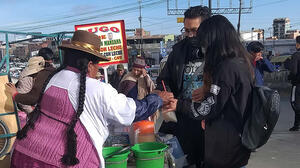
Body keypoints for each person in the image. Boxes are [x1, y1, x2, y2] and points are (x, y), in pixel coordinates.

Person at [6, 30, 174, 168]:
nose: (98, 70)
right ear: (90, 65)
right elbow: (133, 111)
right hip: (62, 162)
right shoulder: (95, 89)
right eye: (98, 65)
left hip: (23, 153)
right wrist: (157, 98)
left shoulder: (52, 78)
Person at [165, 15, 253, 168]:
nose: (203, 47)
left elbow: (207, 109)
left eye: (205, 42)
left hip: (226, 150)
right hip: (235, 144)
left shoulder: (227, 68)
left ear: (215, 41)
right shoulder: (240, 62)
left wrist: (179, 105)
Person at [156, 5, 211, 167]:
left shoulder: (217, 52)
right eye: (187, 31)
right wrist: (166, 94)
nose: (190, 35)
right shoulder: (178, 51)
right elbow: (164, 80)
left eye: (195, 30)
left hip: (209, 121)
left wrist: (207, 90)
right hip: (182, 119)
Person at [288, 35, 300, 131]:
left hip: (297, 84)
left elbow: (294, 71)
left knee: (295, 103)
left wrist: (289, 77)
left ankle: (297, 124)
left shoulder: (296, 55)